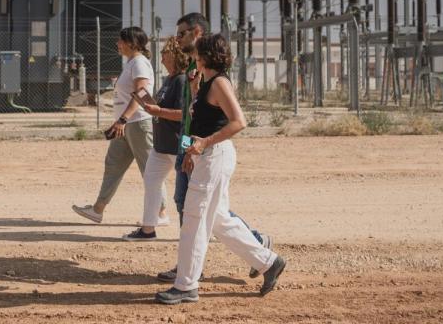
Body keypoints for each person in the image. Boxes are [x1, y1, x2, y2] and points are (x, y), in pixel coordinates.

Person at [156, 33, 286, 305]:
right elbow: (202, 119)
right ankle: (268, 261)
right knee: (217, 220)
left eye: (197, 53)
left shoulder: (219, 83)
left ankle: (186, 286)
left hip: (216, 155)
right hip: (206, 156)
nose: (193, 56)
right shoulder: (205, 82)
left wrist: (204, 144)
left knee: (194, 218)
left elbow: (239, 122)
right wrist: (194, 146)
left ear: (206, 56)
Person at [72, 26, 168, 225]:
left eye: (120, 41)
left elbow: (141, 93)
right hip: (125, 125)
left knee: (150, 169)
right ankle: (98, 210)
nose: (117, 44)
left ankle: (161, 213)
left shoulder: (140, 63)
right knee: (113, 165)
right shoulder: (131, 63)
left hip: (138, 123)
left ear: (131, 43)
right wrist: (121, 121)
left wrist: (123, 119)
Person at [125, 36, 187, 241]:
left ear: (175, 55)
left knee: (189, 192)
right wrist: (152, 107)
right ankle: (148, 229)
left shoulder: (182, 80)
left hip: (178, 145)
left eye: (164, 54)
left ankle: (204, 231)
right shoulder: (169, 79)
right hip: (161, 146)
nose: (161, 60)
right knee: (151, 182)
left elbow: (183, 114)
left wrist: (158, 110)